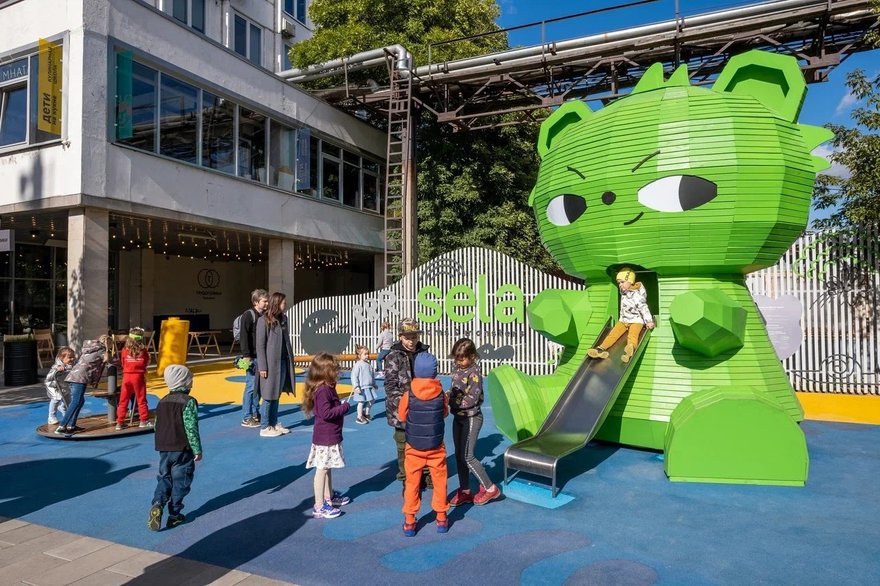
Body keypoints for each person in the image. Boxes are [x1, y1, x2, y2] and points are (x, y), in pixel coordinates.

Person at [398, 351, 449, 536]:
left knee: (412, 482)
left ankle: (410, 520)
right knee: (440, 481)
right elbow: (444, 413)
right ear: (434, 372)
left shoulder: (409, 394)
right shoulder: (441, 393)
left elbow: (402, 416)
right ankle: (441, 517)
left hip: (414, 446)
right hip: (435, 445)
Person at [148, 364, 202, 531]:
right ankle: (174, 514)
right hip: (182, 447)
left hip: (164, 446)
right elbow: (190, 427)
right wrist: (197, 449)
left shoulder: (162, 401)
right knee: (181, 480)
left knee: (164, 477)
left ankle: (158, 503)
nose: (192, 383)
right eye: (190, 380)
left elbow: (157, 425)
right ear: (184, 382)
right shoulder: (188, 402)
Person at [448, 338, 502, 506]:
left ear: (472, 356)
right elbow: (455, 390)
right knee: (459, 455)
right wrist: (448, 395)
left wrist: (450, 401)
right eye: (456, 358)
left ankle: (490, 488)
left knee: (468, 456)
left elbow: (471, 398)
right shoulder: (457, 369)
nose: (458, 361)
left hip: (471, 417)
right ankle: (465, 491)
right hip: (458, 417)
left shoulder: (474, 373)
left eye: (462, 358)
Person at [384, 318, 433, 487]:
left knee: (425, 442)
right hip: (402, 409)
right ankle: (406, 476)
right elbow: (391, 387)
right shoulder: (393, 356)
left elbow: (431, 378)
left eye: (414, 337)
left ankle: (425, 473)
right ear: (400, 337)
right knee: (403, 444)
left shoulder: (424, 353)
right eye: (407, 338)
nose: (411, 341)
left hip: (423, 407)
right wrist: (407, 402)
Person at [302, 353, 351, 519]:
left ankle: (329, 496)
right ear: (325, 371)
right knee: (322, 469)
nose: (337, 372)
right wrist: (344, 407)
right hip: (326, 437)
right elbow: (326, 413)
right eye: (334, 369)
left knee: (327, 467)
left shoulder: (327, 387)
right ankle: (319, 505)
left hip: (330, 435)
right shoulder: (323, 390)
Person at [587, 267, 655, 363]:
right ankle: (600, 349)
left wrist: (649, 321)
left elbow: (643, 308)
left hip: (636, 321)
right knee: (613, 334)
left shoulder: (637, 295)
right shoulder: (624, 292)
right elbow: (623, 290)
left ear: (630, 282)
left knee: (632, 335)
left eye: (622, 282)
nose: (620, 285)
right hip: (623, 320)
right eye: (619, 283)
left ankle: (629, 351)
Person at [55, 335, 113, 435]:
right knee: (76, 401)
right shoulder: (101, 350)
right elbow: (111, 360)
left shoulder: (90, 348)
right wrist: (110, 352)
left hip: (74, 376)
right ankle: (62, 426)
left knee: (80, 401)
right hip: (80, 378)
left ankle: (71, 425)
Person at [256, 291, 295, 437]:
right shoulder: (263, 320)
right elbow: (260, 346)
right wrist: (263, 366)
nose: (285, 304)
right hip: (270, 363)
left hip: (282, 361)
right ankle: (265, 426)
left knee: (276, 393)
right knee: (268, 394)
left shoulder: (283, 319)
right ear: (277, 303)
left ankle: (273, 423)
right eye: (283, 302)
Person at [239, 289, 269, 428]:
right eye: (264, 301)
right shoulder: (248, 315)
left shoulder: (264, 316)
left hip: (261, 357)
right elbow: (244, 336)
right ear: (256, 302)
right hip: (251, 357)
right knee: (251, 386)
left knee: (259, 387)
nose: (267, 303)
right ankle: (247, 416)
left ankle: (256, 413)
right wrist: (246, 356)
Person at [115, 327, 151, 430]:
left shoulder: (124, 350)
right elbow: (145, 363)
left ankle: (119, 422)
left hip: (126, 376)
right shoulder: (143, 351)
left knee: (123, 400)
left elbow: (122, 363)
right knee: (141, 399)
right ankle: (143, 420)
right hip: (138, 376)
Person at [45, 346, 75, 426]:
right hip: (53, 385)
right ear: (62, 358)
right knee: (55, 400)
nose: (72, 359)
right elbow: (49, 377)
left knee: (68, 400)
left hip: (63, 385)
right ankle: (51, 417)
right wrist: (57, 369)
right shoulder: (57, 366)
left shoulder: (70, 365)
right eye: (70, 357)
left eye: (73, 357)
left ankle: (65, 413)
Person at [350, 344, 377, 424]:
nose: (367, 356)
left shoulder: (369, 365)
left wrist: (374, 383)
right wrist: (356, 386)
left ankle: (366, 413)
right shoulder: (358, 365)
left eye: (368, 354)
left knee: (372, 400)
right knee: (361, 402)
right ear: (359, 356)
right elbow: (354, 376)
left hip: (369, 386)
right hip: (361, 387)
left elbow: (372, 375)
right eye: (365, 354)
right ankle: (359, 417)